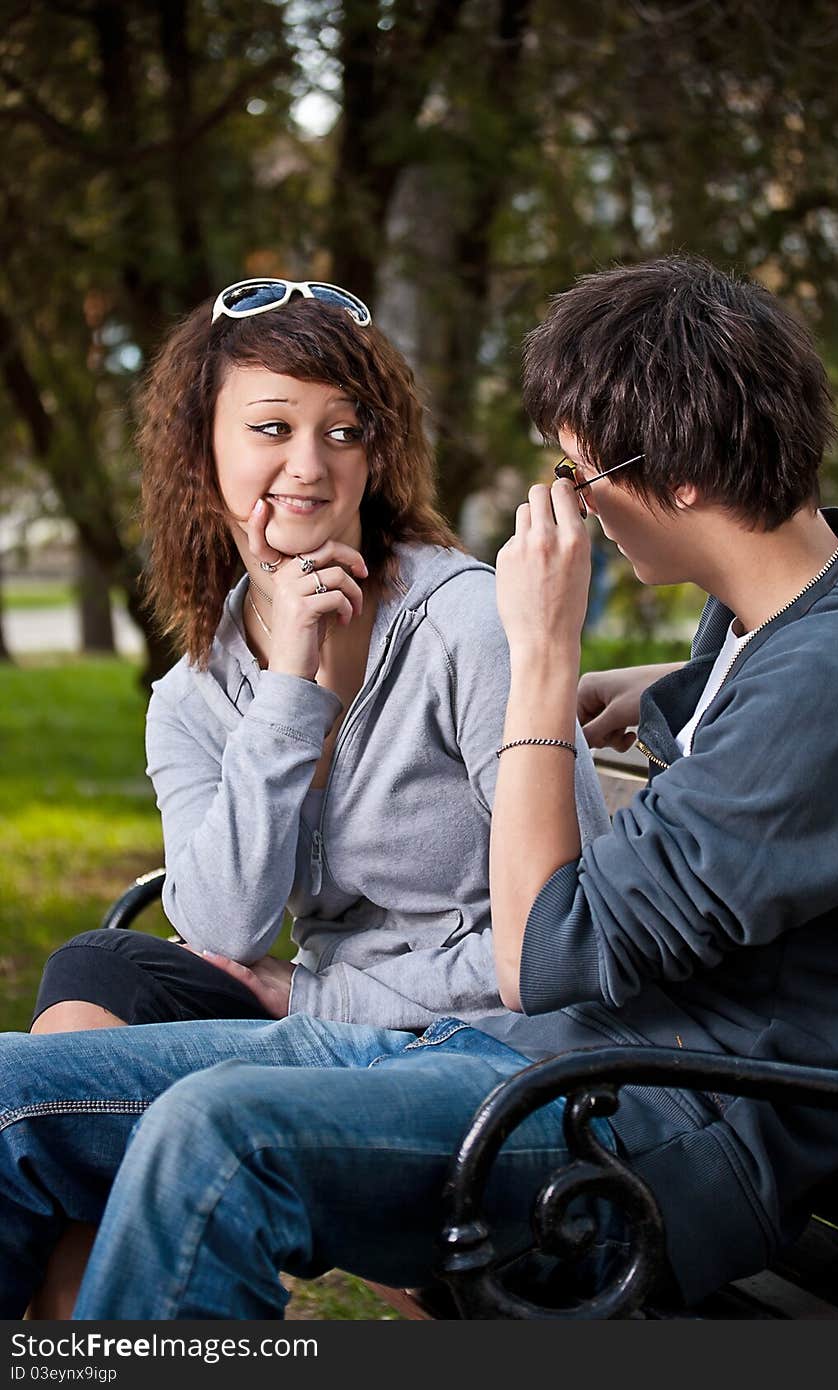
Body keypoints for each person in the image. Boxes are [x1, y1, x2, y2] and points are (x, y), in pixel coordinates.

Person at [2, 254, 838, 1320]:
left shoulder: (826, 679)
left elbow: (549, 954)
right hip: (539, 1061)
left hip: (645, 1117)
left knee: (214, 1130)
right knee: (14, 1092)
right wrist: (669, 683)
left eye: (580, 471)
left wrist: (542, 660)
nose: (571, 503)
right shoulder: (778, 619)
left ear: (683, 477)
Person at [16, 275, 609, 1316]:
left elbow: (575, 929)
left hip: (471, 1049)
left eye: (344, 431)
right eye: (272, 426)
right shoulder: (197, 692)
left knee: (82, 1079)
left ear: (377, 456)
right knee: (81, 987)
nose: (309, 463)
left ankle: (86, 1316)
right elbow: (221, 922)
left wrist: (327, 995)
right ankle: (73, 1317)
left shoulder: (461, 627)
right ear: (203, 448)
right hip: (330, 1030)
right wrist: (287, 688)